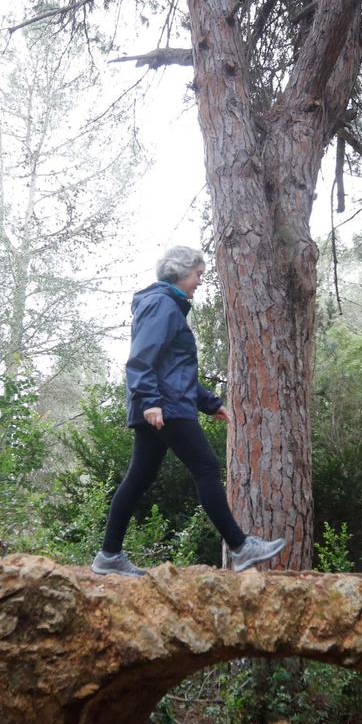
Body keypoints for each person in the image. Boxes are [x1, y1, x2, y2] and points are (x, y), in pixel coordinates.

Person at [90, 246, 286, 576]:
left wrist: (209, 402)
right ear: (179, 273)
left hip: (163, 403)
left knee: (139, 477)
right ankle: (240, 547)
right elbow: (141, 358)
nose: (199, 281)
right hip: (163, 407)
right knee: (206, 466)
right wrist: (151, 400)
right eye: (197, 274)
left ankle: (109, 555)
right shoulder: (162, 305)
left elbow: (173, 370)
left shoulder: (166, 306)